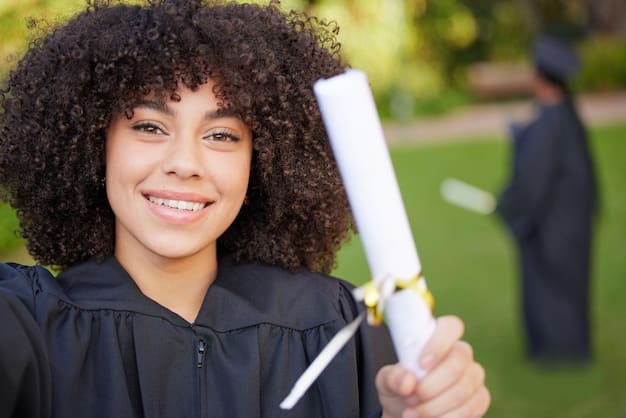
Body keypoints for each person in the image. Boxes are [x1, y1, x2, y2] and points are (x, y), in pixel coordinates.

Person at [0, 1, 490, 417]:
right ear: (92, 142)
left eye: (221, 135)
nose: (185, 164)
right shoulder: (29, 330)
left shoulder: (334, 328)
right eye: (149, 126)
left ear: (263, 160)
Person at [497, 36, 598, 366]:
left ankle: (556, 352)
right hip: (573, 221)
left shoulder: (548, 124)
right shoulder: (566, 116)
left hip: (551, 224)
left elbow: (532, 179)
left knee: (549, 286)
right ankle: (571, 347)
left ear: (539, 78)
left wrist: (508, 208)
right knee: (570, 284)